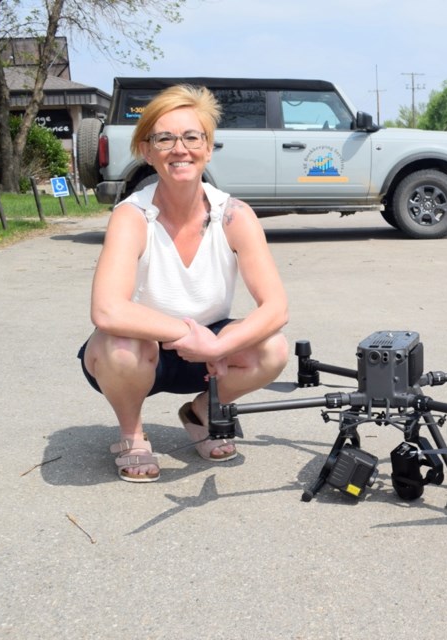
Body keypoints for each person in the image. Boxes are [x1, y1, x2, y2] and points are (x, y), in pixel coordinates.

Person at [78, 85, 289, 483]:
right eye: (165, 138)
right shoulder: (132, 216)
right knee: (120, 346)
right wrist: (187, 334)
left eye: (193, 137)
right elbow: (107, 309)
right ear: (146, 150)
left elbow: (276, 307)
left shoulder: (235, 215)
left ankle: (203, 412)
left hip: (211, 356)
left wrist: (218, 344)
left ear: (208, 149)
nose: (180, 148)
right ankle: (132, 434)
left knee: (273, 349)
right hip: (144, 347)